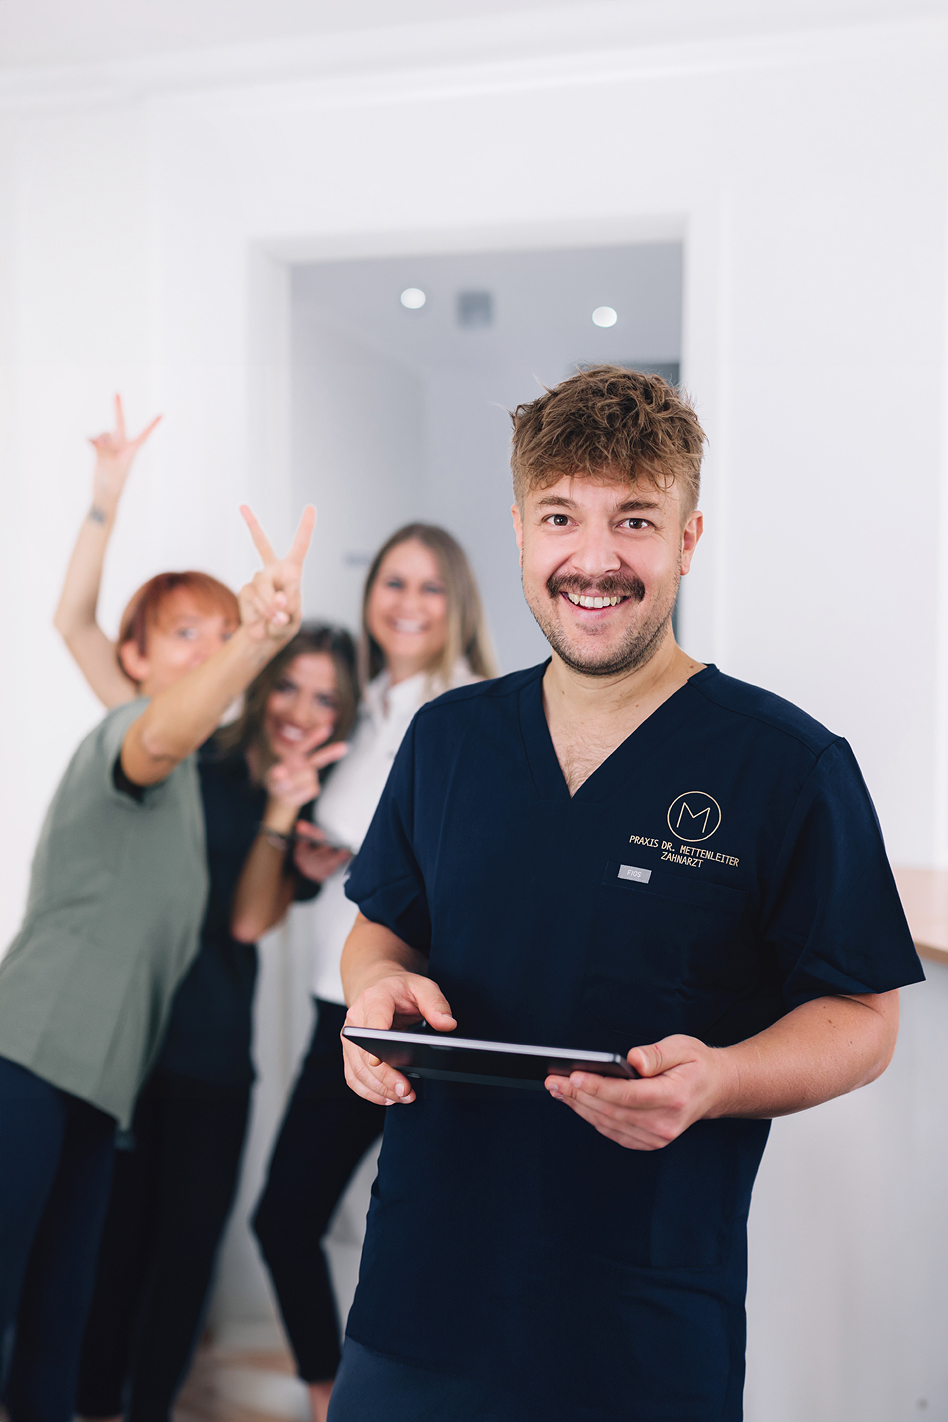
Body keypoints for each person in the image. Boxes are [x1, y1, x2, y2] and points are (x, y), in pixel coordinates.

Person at [332, 366, 925, 1422]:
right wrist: (374, 991)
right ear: (520, 530)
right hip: (422, 1296)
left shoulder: (784, 764)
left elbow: (865, 1019)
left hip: (638, 1325)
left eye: (635, 520)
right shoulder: (449, 742)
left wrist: (722, 1078)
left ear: (687, 541)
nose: (594, 560)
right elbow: (385, 929)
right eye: (562, 516)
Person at [0, 391, 316, 1421]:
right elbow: (119, 674)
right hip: (30, 1061)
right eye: (185, 633)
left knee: (57, 1325)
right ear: (133, 658)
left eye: (219, 633)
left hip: (103, 1090)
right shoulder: (133, 738)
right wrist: (108, 500)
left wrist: (251, 641)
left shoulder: (191, 777)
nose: (207, 647)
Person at [252, 524, 496, 1422]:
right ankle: (330, 1399)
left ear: (459, 603)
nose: (407, 602)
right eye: (393, 582)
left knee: (438, 1234)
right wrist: (321, 862)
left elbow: (465, 870)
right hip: (337, 1004)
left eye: (431, 587)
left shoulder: (479, 713)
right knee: (286, 1221)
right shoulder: (353, 717)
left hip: (427, 1015)